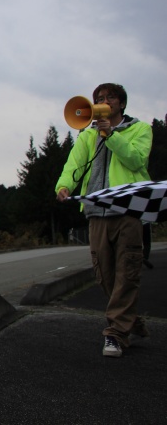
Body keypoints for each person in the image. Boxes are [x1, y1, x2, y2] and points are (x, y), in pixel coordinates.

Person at [55, 83, 152, 358]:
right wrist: (63, 187)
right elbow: (73, 165)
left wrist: (111, 135)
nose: (103, 101)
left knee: (127, 271)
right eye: (98, 98)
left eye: (109, 97)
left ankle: (116, 334)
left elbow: (135, 161)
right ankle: (129, 320)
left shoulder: (140, 130)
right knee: (104, 273)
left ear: (121, 104)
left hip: (129, 211)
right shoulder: (87, 136)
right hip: (96, 211)